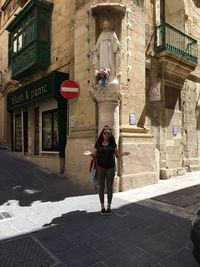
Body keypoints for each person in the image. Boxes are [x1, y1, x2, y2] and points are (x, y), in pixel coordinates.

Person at [84, 125, 130, 215]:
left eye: (108, 133)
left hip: (111, 168)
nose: (106, 134)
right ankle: (102, 207)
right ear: (102, 133)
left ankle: (109, 207)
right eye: (105, 133)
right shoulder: (98, 143)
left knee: (109, 187)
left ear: (110, 134)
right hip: (100, 168)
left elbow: (117, 156)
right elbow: (94, 155)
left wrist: (123, 154)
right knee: (101, 187)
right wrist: (90, 154)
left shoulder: (113, 144)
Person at [92, 19, 121, 84]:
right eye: (105, 24)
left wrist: (119, 45)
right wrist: (95, 48)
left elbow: (116, 40)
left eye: (107, 24)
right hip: (102, 48)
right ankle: (103, 76)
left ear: (109, 25)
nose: (106, 25)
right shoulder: (102, 34)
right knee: (103, 61)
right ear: (104, 26)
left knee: (111, 60)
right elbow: (98, 43)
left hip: (109, 47)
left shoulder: (112, 33)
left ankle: (112, 75)